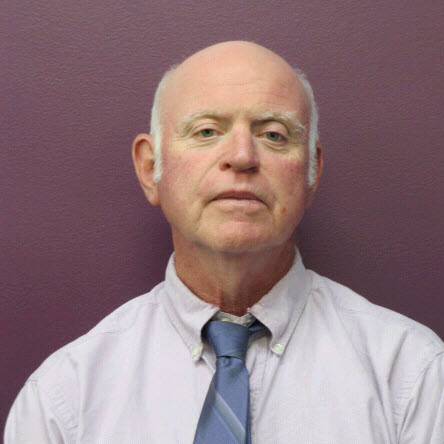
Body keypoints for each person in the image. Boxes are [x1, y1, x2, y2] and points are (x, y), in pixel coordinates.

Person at [4, 41, 443, 443]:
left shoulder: (414, 379)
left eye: (274, 134)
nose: (242, 156)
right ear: (150, 168)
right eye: (206, 131)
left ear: (311, 172)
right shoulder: (63, 402)